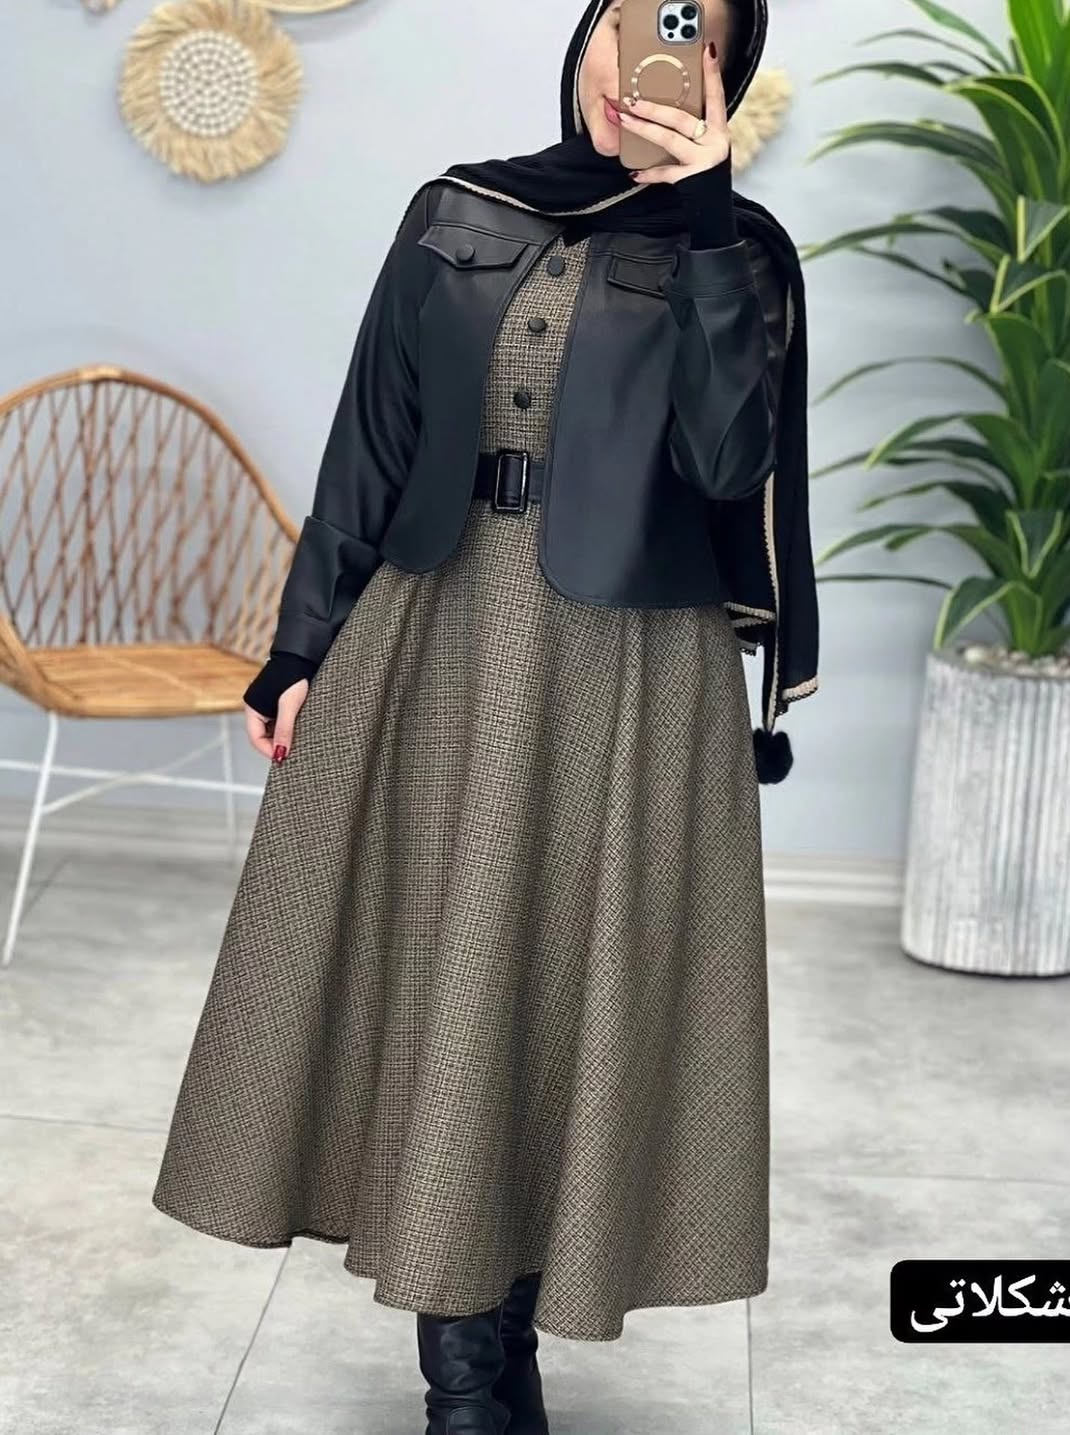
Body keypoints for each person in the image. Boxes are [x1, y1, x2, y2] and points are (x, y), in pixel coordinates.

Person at [152, 0, 817, 1430]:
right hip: (438, 632)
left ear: (727, 73)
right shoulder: (458, 209)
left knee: (564, 996)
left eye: (696, 31)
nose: (651, 57)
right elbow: (370, 440)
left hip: (632, 669)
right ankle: (465, 1382)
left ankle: (505, 1343)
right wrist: (300, 647)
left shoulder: (742, 254)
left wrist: (705, 219)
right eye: (636, 16)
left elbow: (727, 462)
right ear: (589, 38)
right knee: (435, 984)